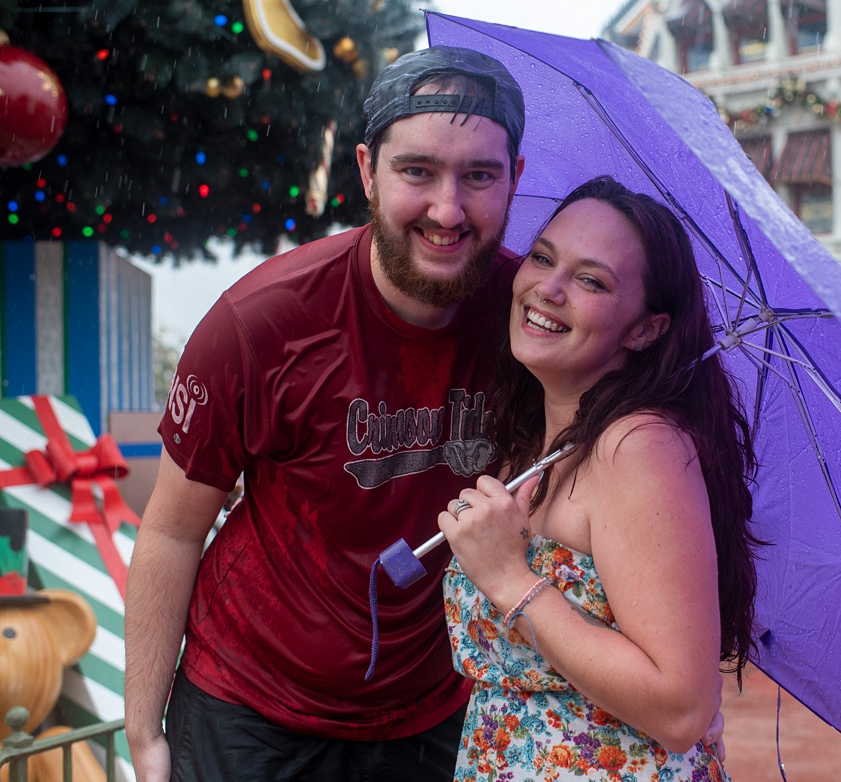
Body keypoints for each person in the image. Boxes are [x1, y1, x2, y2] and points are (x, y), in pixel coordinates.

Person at [123, 46, 530, 782]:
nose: (448, 209)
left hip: (436, 710)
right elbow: (174, 527)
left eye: (479, 175)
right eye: (418, 172)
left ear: (515, 180)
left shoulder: (531, 322)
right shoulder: (262, 322)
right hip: (249, 708)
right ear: (368, 171)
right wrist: (143, 730)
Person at [437, 177, 757, 779]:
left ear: (645, 329)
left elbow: (682, 707)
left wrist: (509, 578)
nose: (547, 289)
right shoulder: (535, 447)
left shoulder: (637, 448)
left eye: (591, 280)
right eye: (542, 257)